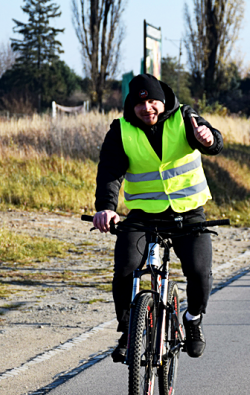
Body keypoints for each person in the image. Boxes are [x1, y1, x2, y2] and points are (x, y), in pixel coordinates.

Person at [92, 73, 224, 362]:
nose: (147, 108)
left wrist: (209, 138)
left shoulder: (184, 117)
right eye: (140, 103)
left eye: (152, 101)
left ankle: (192, 319)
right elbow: (110, 172)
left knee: (200, 273)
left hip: (188, 214)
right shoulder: (121, 130)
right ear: (131, 104)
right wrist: (106, 207)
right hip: (143, 216)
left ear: (162, 101)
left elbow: (212, 141)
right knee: (125, 268)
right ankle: (129, 330)